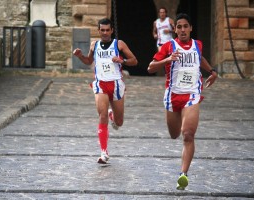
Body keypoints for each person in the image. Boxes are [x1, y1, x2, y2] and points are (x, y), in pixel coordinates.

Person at [147, 13, 217, 190]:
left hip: (192, 95)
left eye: (186, 26)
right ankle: (179, 127)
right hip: (172, 97)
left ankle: (183, 175)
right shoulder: (169, 46)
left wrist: (212, 71)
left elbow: (199, 58)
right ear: (175, 29)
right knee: (174, 134)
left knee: (188, 134)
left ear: (191, 28)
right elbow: (150, 67)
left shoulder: (197, 44)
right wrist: (167, 59)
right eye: (179, 27)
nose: (183, 30)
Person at [73, 18, 138, 164]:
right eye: (102, 30)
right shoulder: (94, 45)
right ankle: (104, 152)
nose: (105, 33)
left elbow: (134, 60)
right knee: (101, 115)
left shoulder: (119, 44)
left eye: (107, 30)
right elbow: (89, 61)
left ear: (112, 30)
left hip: (116, 84)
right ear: (99, 30)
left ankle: (112, 116)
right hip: (101, 84)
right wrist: (80, 56)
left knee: (119, 122)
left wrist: (123, 61)